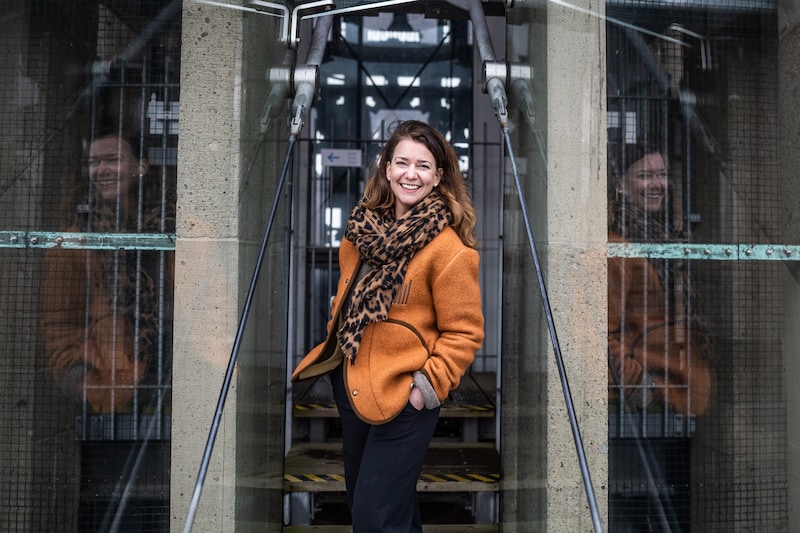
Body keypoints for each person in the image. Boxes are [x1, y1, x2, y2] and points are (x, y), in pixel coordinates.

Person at [292, 120, 484, 532]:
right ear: (386, 168)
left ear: (439, 177)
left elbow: (464, 333)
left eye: (423, 166)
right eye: (402, 163)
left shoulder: (450, 250)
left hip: (406, 396)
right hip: (354, 385)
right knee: (385, 509)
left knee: (374, 515)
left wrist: (424, 390)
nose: (410, 174)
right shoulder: (360, 232)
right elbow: (345, 300)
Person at [607, 141, 713, 532]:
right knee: (634, 512)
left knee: (670, 510)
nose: (657, 183)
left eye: (663, 174)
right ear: (621, 184)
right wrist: (640, 385)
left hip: (676, 400)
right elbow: (601, 332)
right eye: (645, 175)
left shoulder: (667, 239)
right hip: (634, 410)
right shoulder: (617, 245)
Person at [41, 130, 174, 414]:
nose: (100, 169)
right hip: (117, 386)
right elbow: (60, 322)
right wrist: (83, 382)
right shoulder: (77, 240)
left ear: (140, 167)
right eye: (93, 162)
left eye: (113, 160)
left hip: (183, 377)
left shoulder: (180, 226)